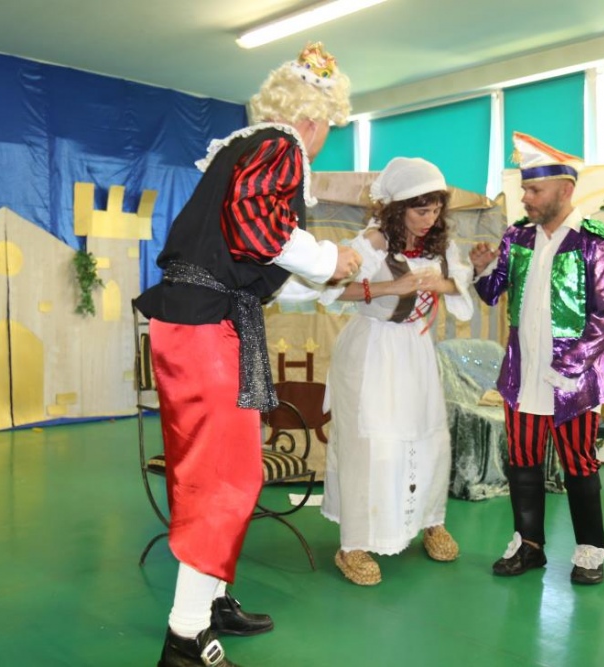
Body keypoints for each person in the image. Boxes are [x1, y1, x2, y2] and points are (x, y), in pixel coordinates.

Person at [133, 42, 359, 667]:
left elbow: (248, 250)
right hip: (208, 328)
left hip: (204, 320)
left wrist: (326, 272)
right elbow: (257, 226)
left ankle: (210, 600)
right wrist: (329, 258)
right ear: (314, 119)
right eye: (330, 128)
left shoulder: (243, 149)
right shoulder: (281, 146)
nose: (324, 140)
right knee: (223, 477)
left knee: (227, 470)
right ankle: (185, 636)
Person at [470, 131, 604, 585]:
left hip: (574, 378)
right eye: (525, 189)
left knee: (579, 463)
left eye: (534, 190)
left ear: (564, 189)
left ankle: (590, 551)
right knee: (522, 460)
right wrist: (481, 268)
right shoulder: (517, 236)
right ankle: (530, 546)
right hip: (523, 375)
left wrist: (570, 366)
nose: (526, 198)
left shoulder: (595, 241)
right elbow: (492, 292)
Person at [311, 157, 475, 585]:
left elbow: (459, 283)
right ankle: (354, 544)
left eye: (435, 210)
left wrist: (441, 284)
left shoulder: (440, 245)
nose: (429, 219)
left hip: (415, 350)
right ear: (398, 208)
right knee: (373, 444)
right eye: (421, 211)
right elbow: (330, 289)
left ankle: (430, 520)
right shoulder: (371, 243)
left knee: (427, 435)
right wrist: (390, 287)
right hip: (372, 351)